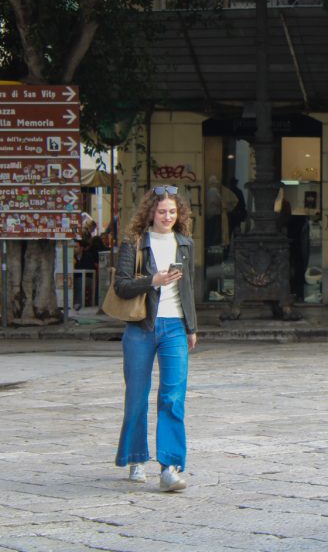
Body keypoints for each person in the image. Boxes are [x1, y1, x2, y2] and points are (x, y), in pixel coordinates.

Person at [114, 185, 199, 492]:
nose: (167, 217)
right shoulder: (135, 243)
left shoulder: (185, 244)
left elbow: (188, 288)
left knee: (173, 397)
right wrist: (154, 280)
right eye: (162, 211)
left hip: (175, 326)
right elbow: (121, 285)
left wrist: (191, 327)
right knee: (137, 397)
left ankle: (170, 467)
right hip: (141, 327)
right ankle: (136, 458)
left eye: (172, 212)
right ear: (150, 212)